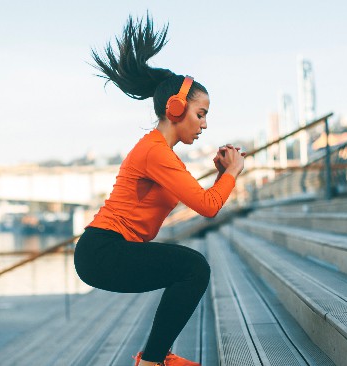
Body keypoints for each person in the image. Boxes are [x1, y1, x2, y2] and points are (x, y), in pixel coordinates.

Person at [74, 15, 245, 366]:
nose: (205, 123)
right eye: (201, 113)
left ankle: (155, 359)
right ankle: (153, 361)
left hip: (107, 250)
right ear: (176, 108)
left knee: (188, 268)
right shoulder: (155, 151)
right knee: (193, 267)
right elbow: (210, 207)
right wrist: (233, 173)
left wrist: (221, 177)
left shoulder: (161, 154)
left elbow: (205, 200)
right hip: (102, 251)